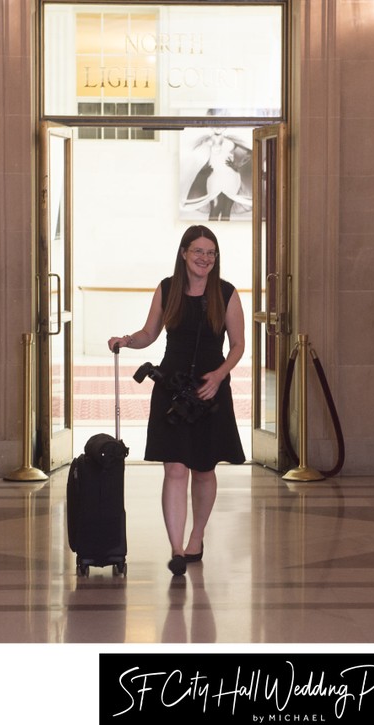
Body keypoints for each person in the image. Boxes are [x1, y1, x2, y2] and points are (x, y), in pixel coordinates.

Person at [108, 225, 245, 576]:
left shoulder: (226, 293)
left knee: (204, 469)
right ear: (184, 253)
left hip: (210, 391)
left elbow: (238, 345)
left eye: (211, 253)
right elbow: (149, 333)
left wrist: (219, 376)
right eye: (198, 251)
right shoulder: (167, 288)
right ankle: (176, 549)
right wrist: (126, 340)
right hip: (172, 386)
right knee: (175, 468)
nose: (205, 258)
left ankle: (196, 537)